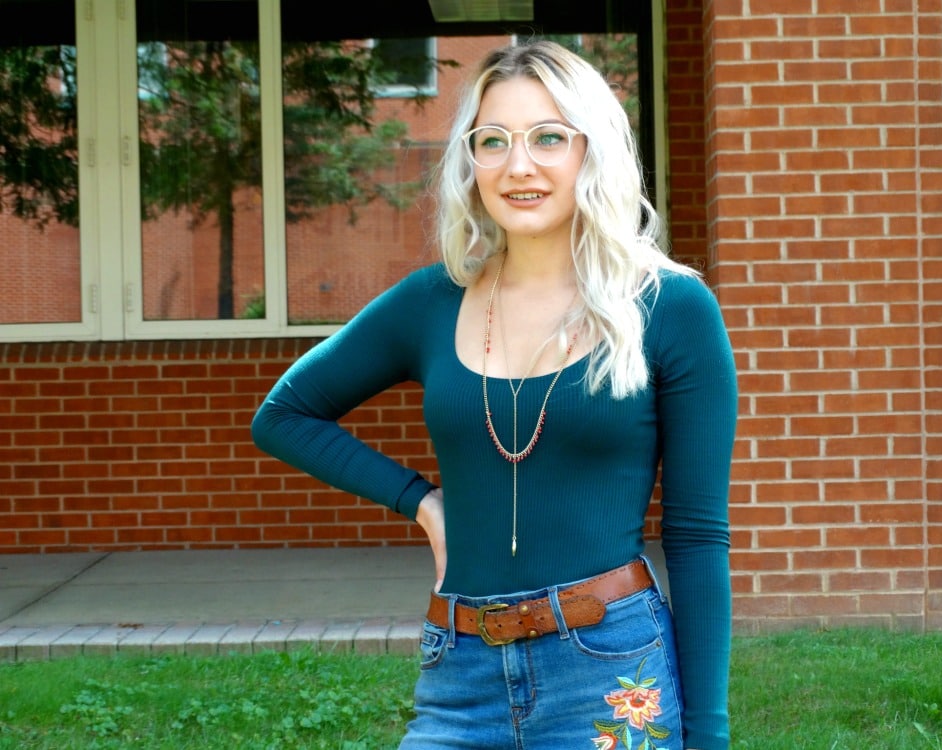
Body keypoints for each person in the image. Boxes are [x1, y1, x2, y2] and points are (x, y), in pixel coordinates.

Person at [252, 40, 737, 750]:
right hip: (459, 672)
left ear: (591, 150)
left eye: (548, 138)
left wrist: (709, 737)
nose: (519, 166)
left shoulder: (669, 308)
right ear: (469, 160)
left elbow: (697, 538)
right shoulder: (431, 303)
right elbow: (284, 415)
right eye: (494, 141)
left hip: (608, 668)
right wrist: (423, 505)